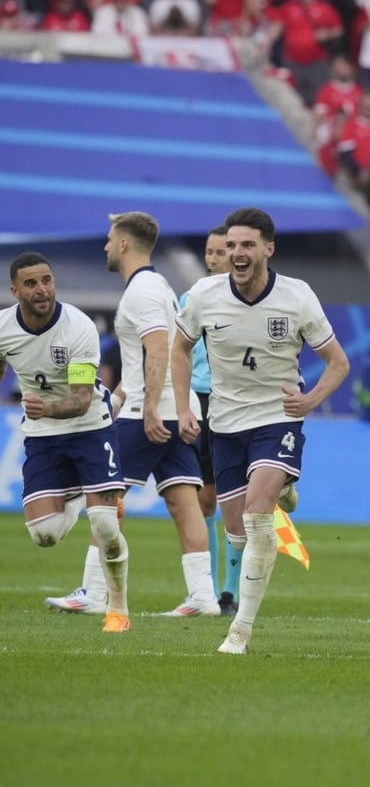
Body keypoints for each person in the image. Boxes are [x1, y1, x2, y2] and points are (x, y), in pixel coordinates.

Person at [171, 207, 350, 654]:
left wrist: (310, 401)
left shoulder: (297, 297)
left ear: (268, 248)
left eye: (247, 245)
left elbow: (338, 363)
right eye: (231, 245)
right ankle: (284, 489)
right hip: (226, 423)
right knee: (238, 533)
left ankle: (240, 631)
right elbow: (179, 348)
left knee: (255, 516)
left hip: (277, 418)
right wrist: (183, 405)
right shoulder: (204, 295)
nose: (237, 253)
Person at [2, 252, 131, 633]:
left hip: (90, 426)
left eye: (46, 280)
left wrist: (46, 408)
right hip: (42, 434)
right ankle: (81, 493)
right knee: (44, 535)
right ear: (15, 291)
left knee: (106, 525)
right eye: (31, 283)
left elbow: (81, 399)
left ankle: (118, 611)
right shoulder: (4, 328)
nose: (41, 290)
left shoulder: (78, 327)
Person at [105, 212, 219, 616]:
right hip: (166, 407)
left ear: (123, 244)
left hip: (147, 412)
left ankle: (94, 590)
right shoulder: (157, 285)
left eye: (109, 237)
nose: (105, 245)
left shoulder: (142, 291)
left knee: (104, 495)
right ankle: (204, 596)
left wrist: (148, 406)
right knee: (183, 500)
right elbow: (146, 356)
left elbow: (156, 348)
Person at [188, 225, 240, 616]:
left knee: (234, 501)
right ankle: (208, 592)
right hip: (199, 400)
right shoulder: (191, 298)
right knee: (204, 499)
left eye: (220, 251)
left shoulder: (248, 299)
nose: (213, 258)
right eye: (209, 251)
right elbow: (176, 350)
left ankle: (231, 591)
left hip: (237, 401)